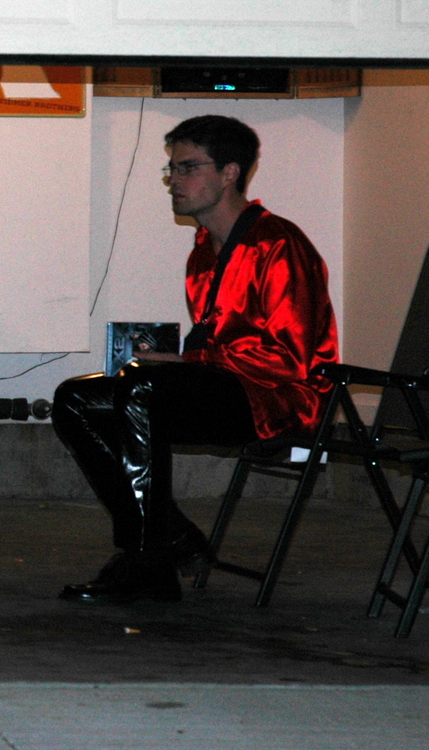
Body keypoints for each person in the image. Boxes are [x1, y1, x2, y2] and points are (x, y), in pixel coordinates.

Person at [52, 114, 339, 604]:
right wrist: (184, 361)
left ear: (229, 173)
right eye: (172, 169)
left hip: (281, 399)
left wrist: (190, 361)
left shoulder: (277, 244)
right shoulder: (203, 252)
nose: (174, 181)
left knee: (142, 386)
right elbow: (218, 349)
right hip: (233, 387)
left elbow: (288, 359)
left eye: (188, 168)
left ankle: (148, 562)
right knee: (74, 399)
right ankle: (174, 539)